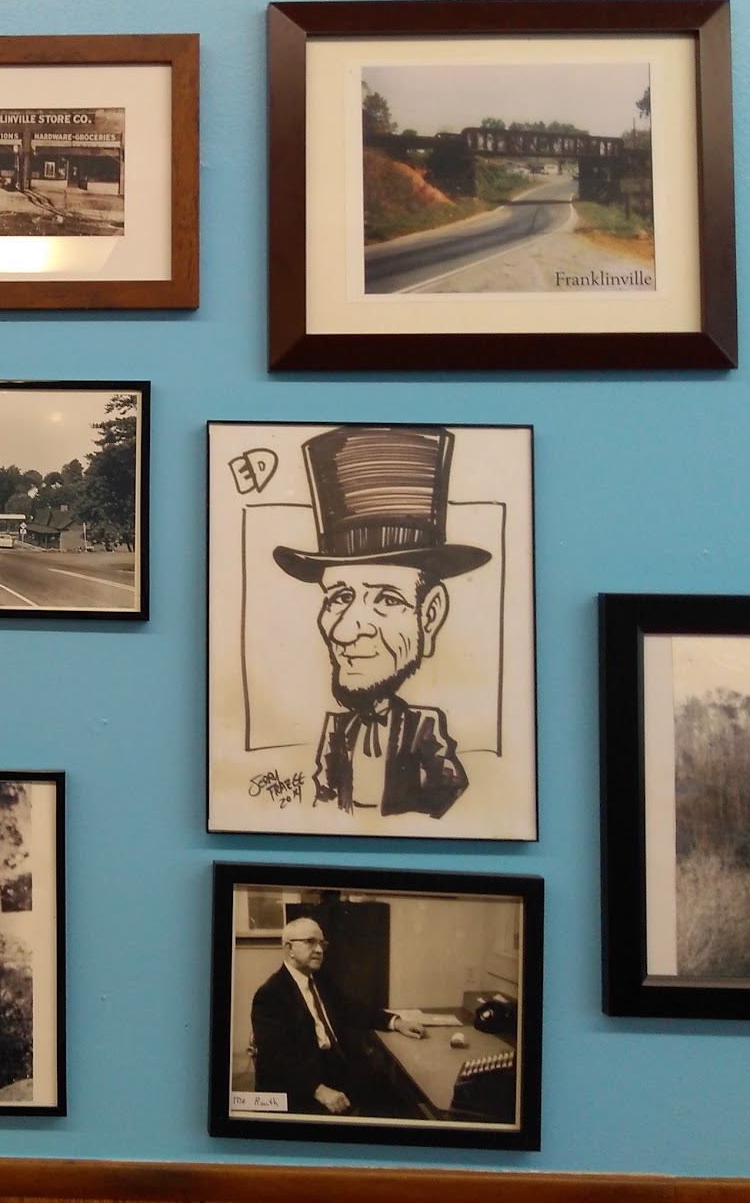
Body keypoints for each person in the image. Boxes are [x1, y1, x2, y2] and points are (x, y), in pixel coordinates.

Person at [271, 426, 484, 819]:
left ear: (429, 615)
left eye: (387, 599)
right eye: (339, 597)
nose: (343, 631)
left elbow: (448, 804)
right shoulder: (336, 730)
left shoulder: (424, 728)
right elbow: (322, 804)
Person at [249, 915, 423, 1115]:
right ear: (289, 949)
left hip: (334, 1066)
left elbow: (352, 1008)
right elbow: (274, 1059)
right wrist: (318, 1090)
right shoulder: (270, 995)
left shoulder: (320, 980)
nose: (319, 950)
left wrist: (395, 1022)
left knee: (394, 1091)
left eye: (322, 943)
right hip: (300, 1085)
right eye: (310, 942)